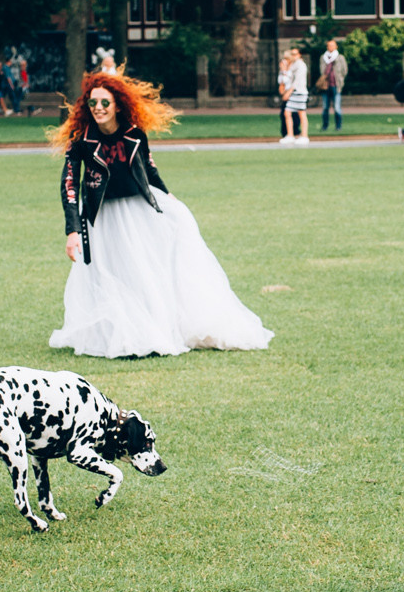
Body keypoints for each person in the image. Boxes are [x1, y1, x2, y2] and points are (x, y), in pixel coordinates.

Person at [50, 72, 272, 358]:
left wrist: (168, 197)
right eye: (93, 102)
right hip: (100, 218)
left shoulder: (134, 134)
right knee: (109, 276)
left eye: (105, 101)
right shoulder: (81, 141)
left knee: (142, 274)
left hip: (138, 213)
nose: (99, 107)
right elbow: (68, 185)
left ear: (117, 104)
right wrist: (72, 231)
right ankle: (119, 336)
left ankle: (148, 333)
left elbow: (149, 171)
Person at [317, 39, 349, 133]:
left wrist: (340, 79)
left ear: (336, 47)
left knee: (337, 107)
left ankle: (338, 126)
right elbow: (321, 70)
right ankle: (325, 125)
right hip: (325, 86)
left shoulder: (340, 58)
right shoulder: (323, 57)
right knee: (325, 107)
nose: (330, 47)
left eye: (332, 45)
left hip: (336, 85)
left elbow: (344, 70)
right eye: (329, 45)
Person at [279, 46, 309, 145]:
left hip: (299, 92)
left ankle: (304, 136)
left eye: (295, 54)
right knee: (287, 113)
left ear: (299, 55)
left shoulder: (301, 65)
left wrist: (288, 92)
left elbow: (297, 81)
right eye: (292, 54)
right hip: (295, 92)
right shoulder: (294, 64)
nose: (293, 56)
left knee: (301, 113)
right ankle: (290, 135)